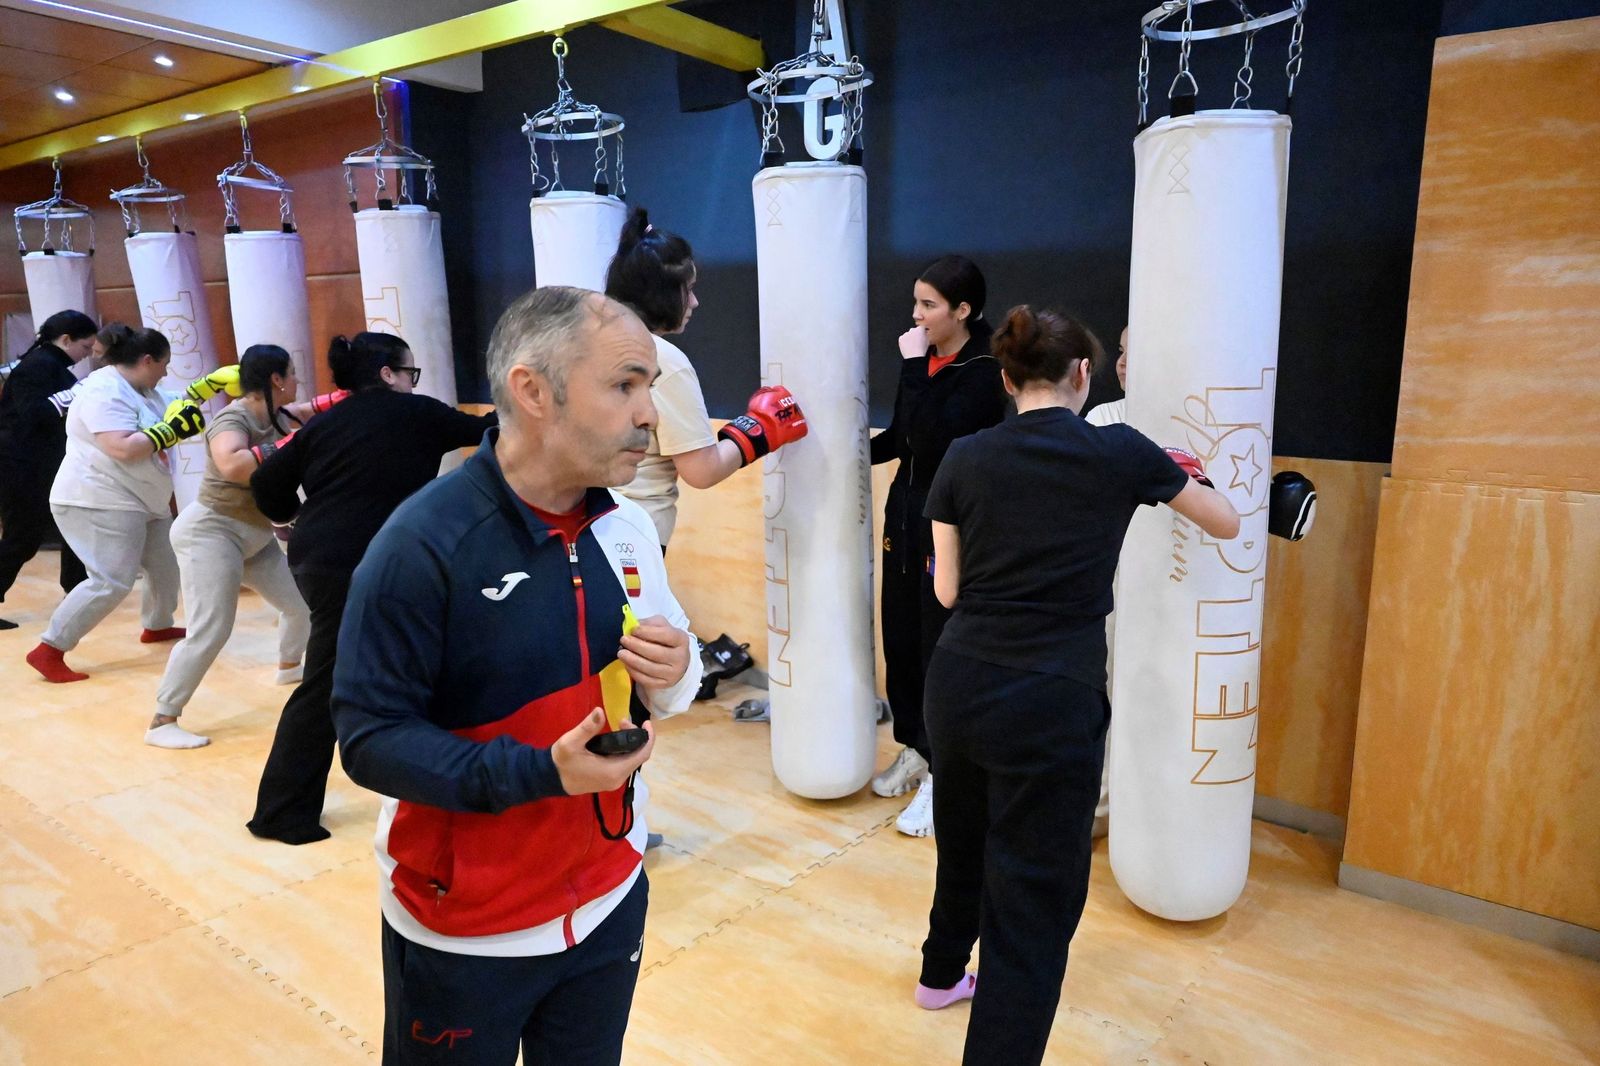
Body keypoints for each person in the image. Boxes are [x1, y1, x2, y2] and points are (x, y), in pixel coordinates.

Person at [332, 286, 700, 1065]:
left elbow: (673, 677)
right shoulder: (420, 547)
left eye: (651, 390)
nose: (649, 415)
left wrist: (677, 669)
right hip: (464, 927)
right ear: (533, 391)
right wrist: (539, 774)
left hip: (611, 894)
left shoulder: (626, 528)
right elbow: (370, 741)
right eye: (626, 385)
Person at [913, 307, 1239, 1065]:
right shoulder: (1123, 451)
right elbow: (1222, 523)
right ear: (1084, 376)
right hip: (1050, 696)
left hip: (957, 682)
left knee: (962, 839)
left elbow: (949, 592)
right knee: (1031, 901)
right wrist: (1183, 471)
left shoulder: (964, 455)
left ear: (1005, 378)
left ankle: (938, 974)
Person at [246, 332, 495, 844]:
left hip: (320, 554)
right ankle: (279, 812)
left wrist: (291, 516)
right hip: (354, 562)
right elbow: (490, 427)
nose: (411, 381)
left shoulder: (327, 424)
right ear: (387, 373)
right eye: (409, 372)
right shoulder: (417, 413)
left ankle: (438, 783)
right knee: (328, 684)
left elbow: (265, 482)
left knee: (420, 661)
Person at [145, 345, 350, 749]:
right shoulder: (232, 417)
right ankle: (162, 719)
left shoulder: (278, 414)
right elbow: (234, 465)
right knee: (212, 628)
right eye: (291, 374)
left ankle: (289, 666)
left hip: (254, 537)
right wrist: (298, 442)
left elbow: (312, 410)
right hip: (211, 532)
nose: (296, 382)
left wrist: (362, 393)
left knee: (302, 606)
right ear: (276, 380)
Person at [868, 255, 1007, 837]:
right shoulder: (927, 357)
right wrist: (837, 445)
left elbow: (931, 436)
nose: (917, 315)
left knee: (936, 649)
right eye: (916, 303)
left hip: (949, 525)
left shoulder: (983, 368)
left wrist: (911, 367)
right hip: (904, 514)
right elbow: (902, 438)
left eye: (929, 305)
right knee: (899, 640)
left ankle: (944, 775)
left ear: (963, 311)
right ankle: (915, 749)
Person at [605, 206, 808, 551]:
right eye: (689, 289)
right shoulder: (661, 360)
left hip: (589, 529)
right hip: (635, 538)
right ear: (664, 293)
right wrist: (761, 429)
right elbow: (702, 471)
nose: (695, 302)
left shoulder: (592, 343)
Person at [24, 327, 208, 683]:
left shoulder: (142, 387)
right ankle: (49, 648)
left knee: (166, 564)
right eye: (164, 365)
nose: (166, 373)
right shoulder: (102, 391)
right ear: (146, 360)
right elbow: (121, 448)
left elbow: (170, 403)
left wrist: (205, 389)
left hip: (140, 497)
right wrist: (170, 432)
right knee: (111, 580)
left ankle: (156, 625)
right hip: (98, 498)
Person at [0, 310, 98, 629]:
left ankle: (76, 590)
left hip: (41, 465)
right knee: (22, 537)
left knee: (73, 524)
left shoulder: (51, 365)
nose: (85, 355)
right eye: (84, 347)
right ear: (66, 340)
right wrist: (74, 395)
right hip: (23, 468)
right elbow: (34, 414)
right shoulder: (39, 367)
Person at [1085, 324, 1130, 836]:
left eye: (1132, 354)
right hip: (1111, 582)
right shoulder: (1103, 419)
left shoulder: (1181, 423)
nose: (1121, 364)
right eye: (1119, 352)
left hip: (1171, 588)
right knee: (1104, 689)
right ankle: (1097, 807)